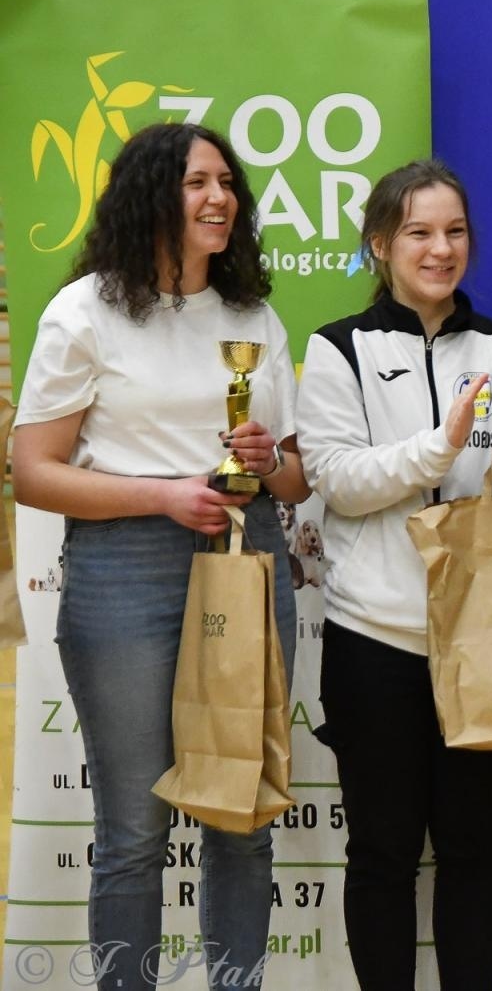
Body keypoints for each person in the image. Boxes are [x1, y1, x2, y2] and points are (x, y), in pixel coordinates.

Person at [12, 122, 308, 991]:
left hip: (243, 555)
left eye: (227, 182)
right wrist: (166, 495)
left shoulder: (253, 314)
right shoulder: (86, 310)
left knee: (242, 817)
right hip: (125, 569)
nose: (220, 197)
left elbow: (293, 482)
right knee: (137, 830)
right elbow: (32, 472)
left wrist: (264, 464)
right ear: (150, 197)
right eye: (196, 183)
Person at [294, 159, 492, 989]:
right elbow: (337, 479)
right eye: (419, 233)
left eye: (455, 232)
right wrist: (440, 448)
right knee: (381, 855)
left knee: (476, 852)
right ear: (381, 245)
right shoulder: (339, 349)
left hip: (488, 642)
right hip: (375, 641)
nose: (440, 249)